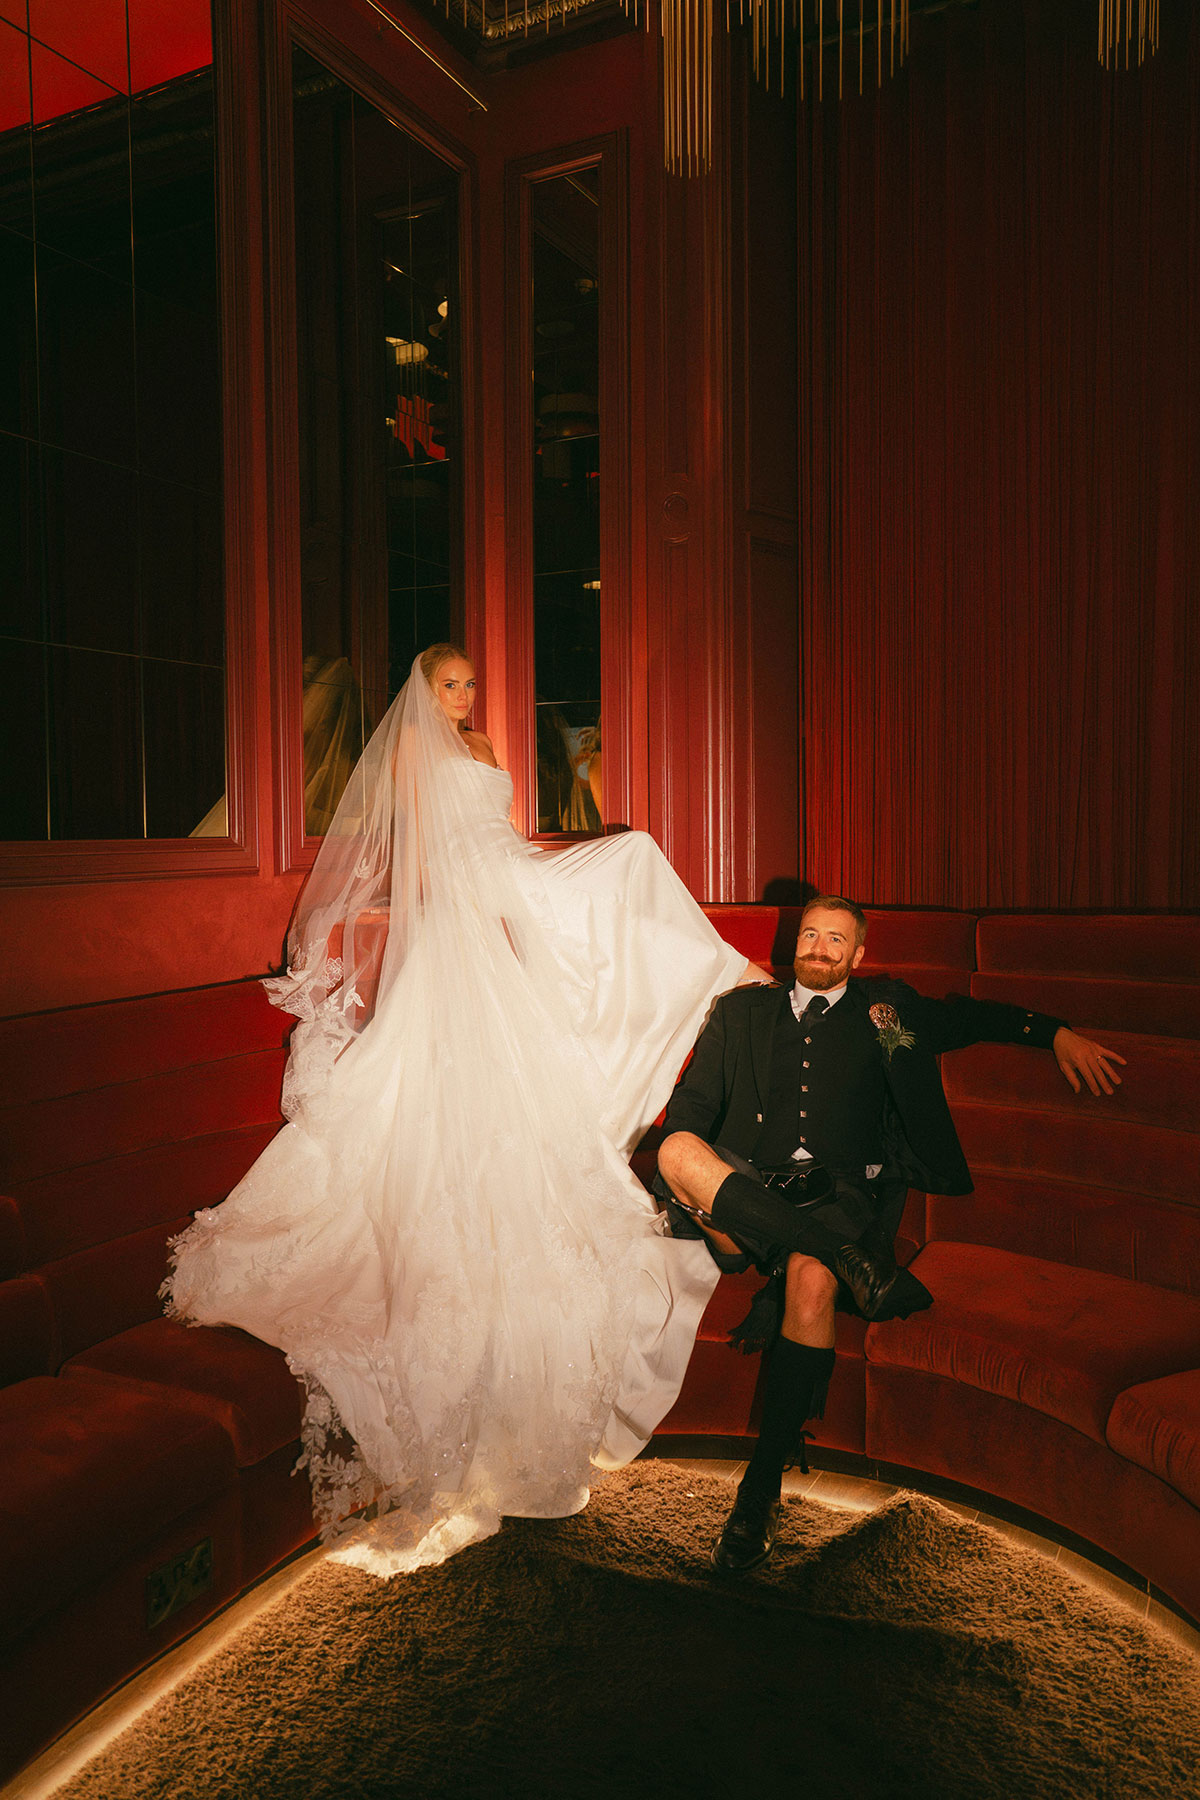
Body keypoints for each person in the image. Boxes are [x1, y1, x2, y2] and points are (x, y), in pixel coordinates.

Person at [164, 644, 762, 1575]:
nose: (466, 696)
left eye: (471, 683)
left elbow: (506, 832)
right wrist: (483, 912)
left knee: (632, 857)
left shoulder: (483, 745)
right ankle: (723, 977)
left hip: (512, 868)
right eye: (451, 683)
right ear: (421, 688)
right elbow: (420, 850)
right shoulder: (415, 753)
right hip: (476, 892)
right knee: (634, 859)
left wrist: (525, 873)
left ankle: (718, 980)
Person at [656, 894, 1126, 1574]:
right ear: (796, 942)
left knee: (811, 1286)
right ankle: (845, 1259)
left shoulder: (887, 1016)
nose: (819, 948)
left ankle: (758, 1495)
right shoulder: (741, 1011)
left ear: (858, 955)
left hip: (841, 1197)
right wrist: (690, 1162)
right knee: (676, 1154)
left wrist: (1053, 1032)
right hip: (747, 1188)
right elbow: (695, 1108)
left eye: (835, 940)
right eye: (810, 935)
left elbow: (967, 1018)